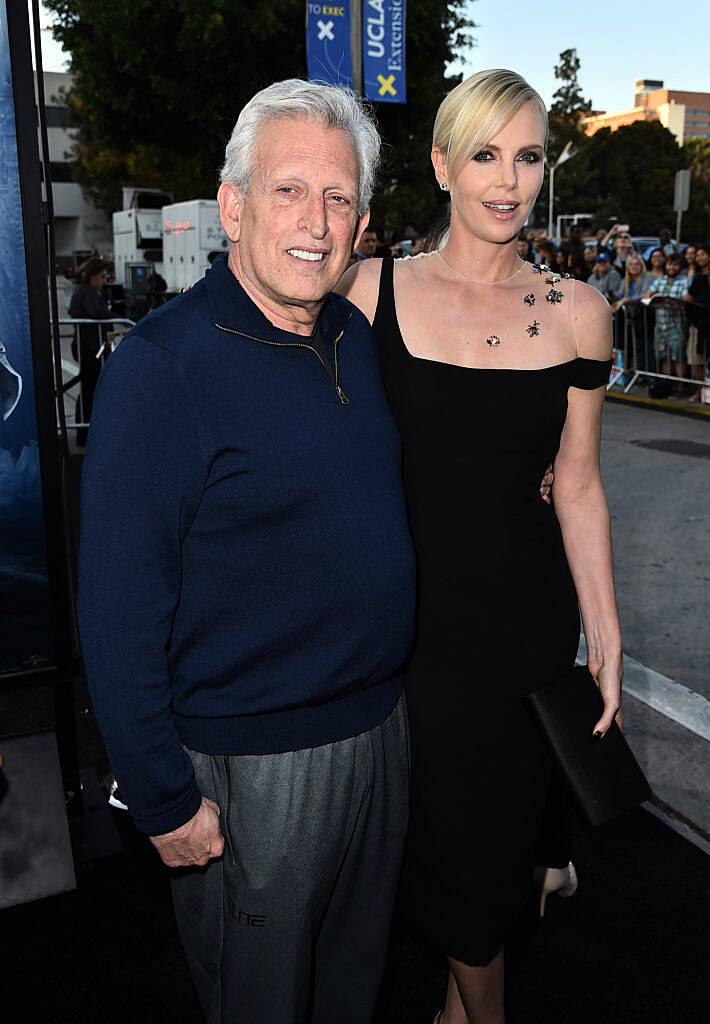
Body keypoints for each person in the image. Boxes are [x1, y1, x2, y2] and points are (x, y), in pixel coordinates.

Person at [78, 79, 415, 1024]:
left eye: (340, 196)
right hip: (255, 770)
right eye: (289, 190)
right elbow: (115, 603)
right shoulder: (162, 367)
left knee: (354, 989)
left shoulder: (352, 334)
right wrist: (160, 797)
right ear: (232, 207)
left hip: (381, 736)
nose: (318, 220)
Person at [338, 68, 622, 1024]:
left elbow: (577, 481)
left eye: (529, 155)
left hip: (520, 639)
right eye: (486, 154)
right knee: (436, 854)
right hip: (405, 633)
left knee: (475, 858)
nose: (508, 179)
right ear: (441, 165)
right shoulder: (367, 292)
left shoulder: (582, 313)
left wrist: (605, 631)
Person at [69, 256, 112, 445]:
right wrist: (115, 317)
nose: (104, 281)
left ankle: (84, 433)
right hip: (90, 347)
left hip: (87, 345)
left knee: (89, 387)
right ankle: (85, 433)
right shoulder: (89, 293)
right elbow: (96, 312)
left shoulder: (84, 291)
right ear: (92, 275)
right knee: (91, 388)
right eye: (102, 277)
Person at [644, 253, 689, 389]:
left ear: (680, 267)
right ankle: (667, 384)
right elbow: (647, 294)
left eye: (675, 265)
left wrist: (668, 301)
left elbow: (685, 300)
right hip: (661, 324)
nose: (672, 267)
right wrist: (654, 296)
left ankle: (681, 385)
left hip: (677, 325)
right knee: (664, 356)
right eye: (670, 264)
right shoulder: (660, 280)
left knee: (678, 357)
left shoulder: (684, 280)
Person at [684, 243, 710, 400]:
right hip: (699, 324)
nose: (699, 258)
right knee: (696, 358)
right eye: (697, 255)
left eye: (703, 254)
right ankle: (700, 389)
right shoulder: (698, 278)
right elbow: (689, 298)